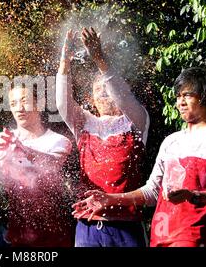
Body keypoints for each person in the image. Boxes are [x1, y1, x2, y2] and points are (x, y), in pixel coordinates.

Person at [74, 67, 206, 247]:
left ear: (205, 97)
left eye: (187, 95)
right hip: (161, 236)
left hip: (196, 236)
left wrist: (194, 195)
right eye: (178, 96)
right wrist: (110, 198)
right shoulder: (170, 142)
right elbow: (152, 192)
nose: (180, 102)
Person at [56, 27, 150, 247]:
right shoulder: (85, 123)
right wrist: (64, 63)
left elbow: (123, 97)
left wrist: (100, 60)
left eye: (109, 89)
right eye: (99, 90)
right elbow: (62, 104)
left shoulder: (136, 120)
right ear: (91, 98)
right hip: (88, 225)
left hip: (126, 225)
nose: (104, 94)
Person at [0, 84, 73, 247]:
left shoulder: (58, 141)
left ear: (39, 104)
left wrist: (26, 150)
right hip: (19, 234)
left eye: (24, 101)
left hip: (54, 233)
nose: (19, 108)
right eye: (13, 104)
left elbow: (52, 166)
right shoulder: (0, 141)